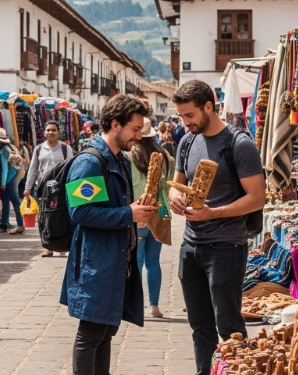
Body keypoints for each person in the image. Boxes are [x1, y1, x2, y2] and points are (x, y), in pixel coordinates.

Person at [168, 80, 265, 375]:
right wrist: (175, 200)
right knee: (200, 327)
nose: (185, 123)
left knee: (230, 328)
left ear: (208, 106)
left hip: (226, 247)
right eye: (182, 116)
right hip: (190, 247)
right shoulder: (187, 141)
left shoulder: (239, 144)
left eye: (189, 115)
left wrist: (212, 213)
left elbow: (257, 198)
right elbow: (176, 184)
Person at [60, 94, 157, 375]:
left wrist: (137, 209)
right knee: (91, 334)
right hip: (96, 263)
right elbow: (80, 212)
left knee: (105, 333)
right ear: (116, 124)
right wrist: (129, 214)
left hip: (115, 261)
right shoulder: (91, 163)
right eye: (135, 129)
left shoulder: (120, 160)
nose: (139, 136)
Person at [130, 118, 173, 319]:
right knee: (153, 261)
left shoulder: (129, 156)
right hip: (160, 213)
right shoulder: (164, 155)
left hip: (137, 212)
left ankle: (135, 304)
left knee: (136, 261)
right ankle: (154, 306)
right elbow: (169, 185)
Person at [23, 120, 73, 256]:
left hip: (60, 189)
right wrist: (28, 187)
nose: (51, 132)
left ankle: (63, 245)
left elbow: (71, 168)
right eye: (48, 130)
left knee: (62, 215)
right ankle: (49, 247)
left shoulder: (65, 148)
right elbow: (33, 169)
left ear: (59, 133)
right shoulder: (39, 149)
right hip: (44, 189)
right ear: (44, 133)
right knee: (45, 217)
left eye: (53, 130)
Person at [0, 127, 24, 234]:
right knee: (6, 201)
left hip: (9, 178)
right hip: (12, 175)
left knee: (15, 201)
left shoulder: (3, 151)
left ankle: (20, 225)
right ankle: (4, 224)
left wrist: (3, 184)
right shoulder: (7, 148)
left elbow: (4, 169)